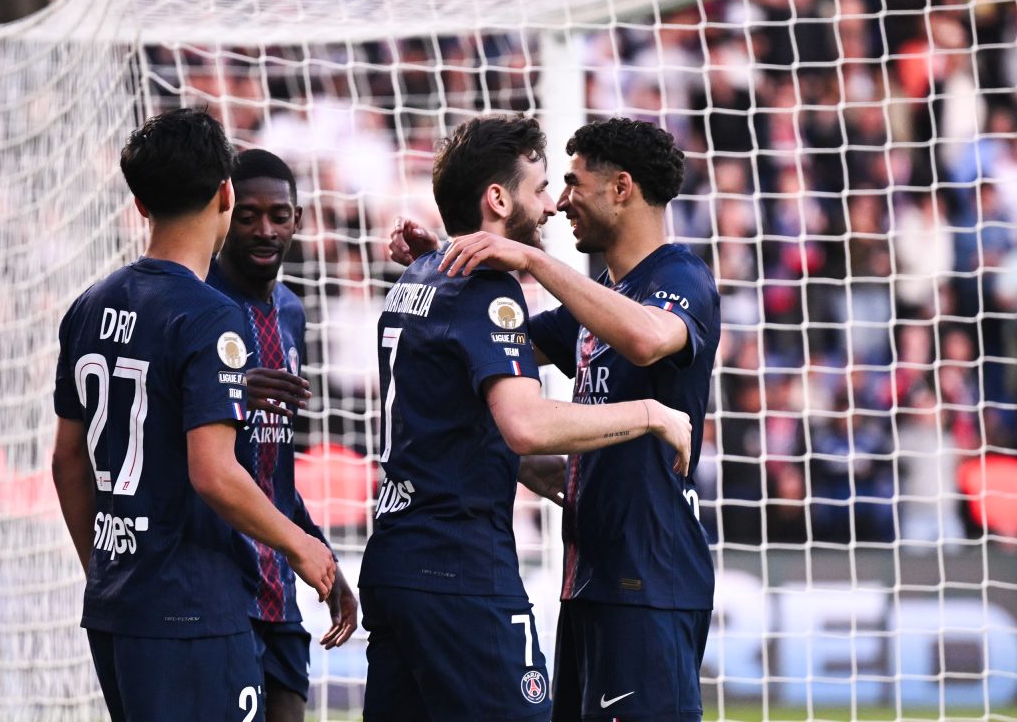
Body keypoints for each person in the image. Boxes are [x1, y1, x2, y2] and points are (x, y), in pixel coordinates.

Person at [361, 114, 694, 722]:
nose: (552, 205)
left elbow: (645, 339)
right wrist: (651, 414)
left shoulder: (679, 278)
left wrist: (443, 263)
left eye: (566, 186)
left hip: (403, 561)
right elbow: (524, 424)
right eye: (543, 188)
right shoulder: (483, 291)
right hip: (461, 566)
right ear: (497, 199)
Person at [51, 109, 336, 722]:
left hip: (118, 607)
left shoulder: (87, 306)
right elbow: (213, 472)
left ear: (139, 204)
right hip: (194, 608)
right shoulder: (210, 316)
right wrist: (301, 546)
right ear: (225, 194)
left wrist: (105, 570)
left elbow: (66, 460)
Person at [206, 148, 358, 722]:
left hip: (278, 587)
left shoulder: (291, 312)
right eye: (247, 216)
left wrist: (321, 558)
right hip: (216, 587)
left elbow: (274, 470)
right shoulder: (198, 304)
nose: (264, 230)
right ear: (225, 215)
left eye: (278, 215)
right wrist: (228, 388)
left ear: (298, 219)